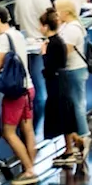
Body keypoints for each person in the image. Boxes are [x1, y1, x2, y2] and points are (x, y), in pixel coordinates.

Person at [0, 7, 38, 185]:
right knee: (28, 130)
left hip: (15, 92)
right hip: (28, 87)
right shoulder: (17, 34)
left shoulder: (4, 38)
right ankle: (31, 168)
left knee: (8, 132)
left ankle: (28, 170)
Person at [53, 0, 91, 165]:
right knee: (73, 106)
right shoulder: (68, 26)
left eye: (57, 11)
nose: (55, 14)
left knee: (76, 105)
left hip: (74, 71)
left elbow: (64, 52)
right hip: (73, 70)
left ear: (65, 12)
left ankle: (83, 137)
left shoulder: (72, 29)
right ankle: (74, 142)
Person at [38, 9, 76, 162]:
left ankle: (71, 146)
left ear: (46, 26)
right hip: (61, 82)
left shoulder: (52, 44)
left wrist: (43, 54)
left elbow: (49, 66)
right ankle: (72, 145)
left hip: (56, 83)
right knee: (64, 114)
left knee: (61, 114)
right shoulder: (58, 41)